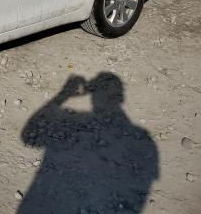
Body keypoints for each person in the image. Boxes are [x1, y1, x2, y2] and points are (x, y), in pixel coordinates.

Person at [18, 73, 159, 214]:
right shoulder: (143, 140)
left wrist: (64, 94)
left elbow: (28, 136)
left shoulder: (74, 121)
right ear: (121, 98)